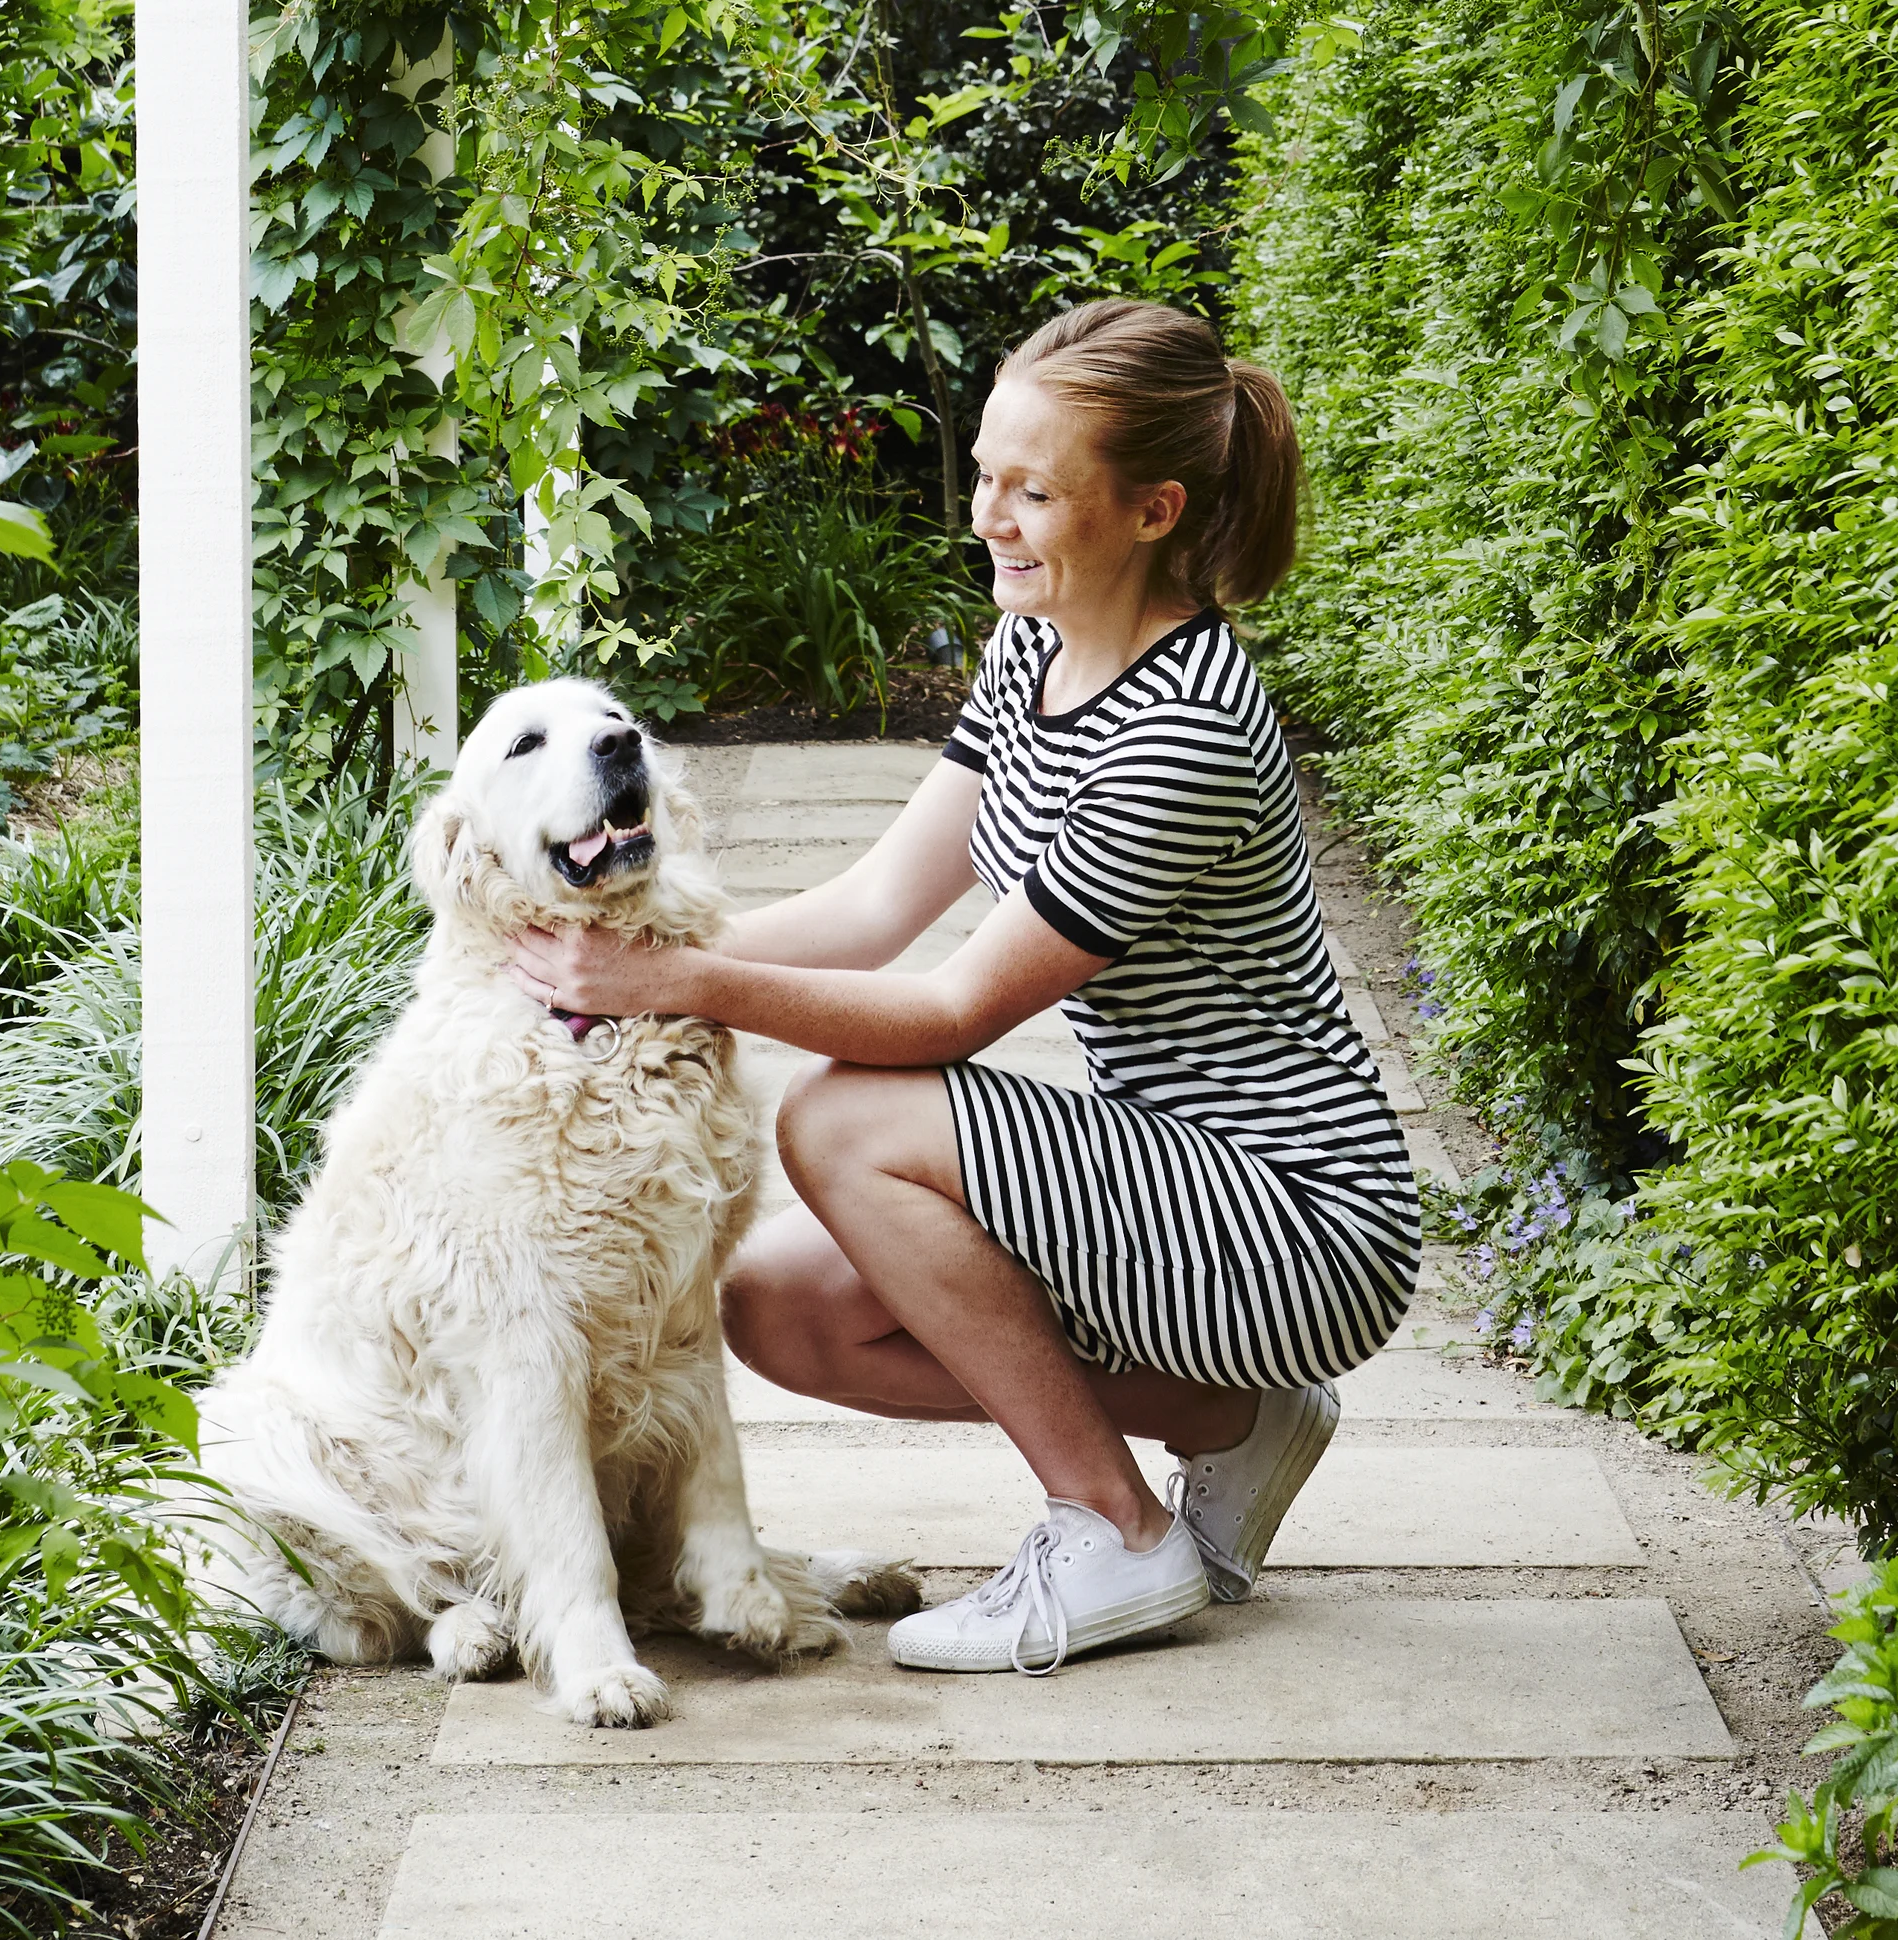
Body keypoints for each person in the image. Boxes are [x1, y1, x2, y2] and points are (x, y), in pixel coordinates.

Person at [505, 298, 1422, 1676]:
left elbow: (951, 1017)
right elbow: (874, 910)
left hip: (1297, 1218)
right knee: (781, 1307)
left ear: (1155, 508)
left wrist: (668, 981)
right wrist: (640, 968)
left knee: (846, 1122)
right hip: (1177, 1183)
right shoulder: (1029, 652)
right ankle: (1233, 1417)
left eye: (1036, 491)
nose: (991, 514)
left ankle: (1113, 1531)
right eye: (986, 475)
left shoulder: (1189, 731)